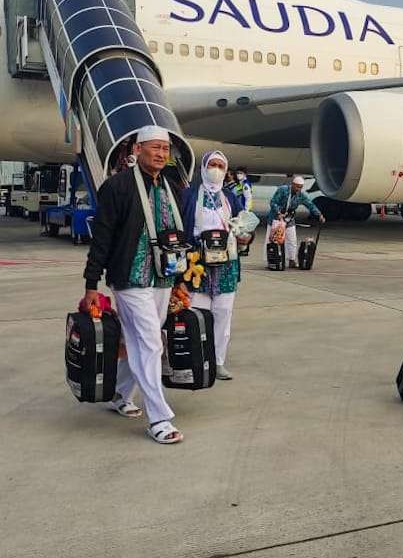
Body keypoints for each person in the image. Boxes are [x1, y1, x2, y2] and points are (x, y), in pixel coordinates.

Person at [82, 125, 185, 445]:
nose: (160, 154)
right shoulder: (118, 187)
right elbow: (102, 236)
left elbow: (178, 235)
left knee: (136, 339)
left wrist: (181, 279)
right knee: (152, 342)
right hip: (130, 278)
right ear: (136, 150)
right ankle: (159, 417)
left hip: (162, 277)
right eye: (154, 148)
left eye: (165, 150)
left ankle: (120, 394)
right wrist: (91, 283)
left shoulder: (171, 188)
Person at [181, 151, 250, 380]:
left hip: (226, 264)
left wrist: (245, 238)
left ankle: (218, 361)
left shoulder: (230, 197)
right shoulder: (190, 195)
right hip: (197, 264)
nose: (216, 169)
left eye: (221, 165)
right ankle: (197, 359)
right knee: (197, 312)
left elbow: (244, 224)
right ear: (203, 167)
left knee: (223, 313)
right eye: (212, 164)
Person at [267, 176, 324, 269]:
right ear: (292, 185)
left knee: (292, 240)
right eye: (297, 186)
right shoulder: (283, 190)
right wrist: (278, 213)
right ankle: (272, 260)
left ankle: (292, 260)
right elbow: (273, 202)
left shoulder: (301, 195)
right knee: (273, 240)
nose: (298, 189)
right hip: (276, 218)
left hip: (289, 218)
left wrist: (319, 215)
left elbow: (310, 204)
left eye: (300, 187)